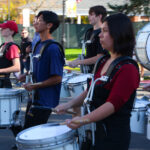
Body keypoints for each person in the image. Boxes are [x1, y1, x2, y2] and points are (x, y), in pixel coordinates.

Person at [55, 13, 140, 150]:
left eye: (105, 31)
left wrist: (83, 120)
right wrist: (68, 105)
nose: (100, 35)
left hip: (112, 137)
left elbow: (112, 104)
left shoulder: (128, 69)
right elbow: (91, 90)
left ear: (119, 34)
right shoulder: (103, 61)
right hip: (94, 131)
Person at [20, 10, 65, 129]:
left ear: (49, 25)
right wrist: (26, 75)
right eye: (36, 20)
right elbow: (38, 69)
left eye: (39, 21)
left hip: (45, 101)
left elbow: (57, 78)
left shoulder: (53, 48)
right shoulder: (38, 44)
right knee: (26, 131)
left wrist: (36, 86)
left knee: (30, 135)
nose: (35, 23)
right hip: (35, 97)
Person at [68, 5, 108, 73]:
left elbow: (100, 57)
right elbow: (89, 55)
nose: (88, 17)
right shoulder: (89, 32)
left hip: (99, 72)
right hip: (88, 72)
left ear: (99, 16)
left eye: (91, 15)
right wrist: (75, 61)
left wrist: (79, 62)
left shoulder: (103, 33)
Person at [0, 20, 20, 88]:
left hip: (4, 83)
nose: (1, 30)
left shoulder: (13, 47)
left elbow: (17, 67)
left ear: (11, 31)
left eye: (4, 28)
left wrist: (1, 70)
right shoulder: (3, 45)